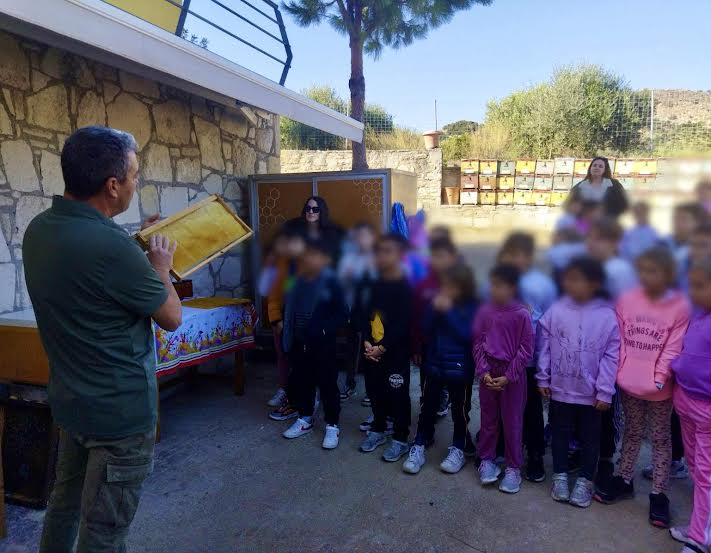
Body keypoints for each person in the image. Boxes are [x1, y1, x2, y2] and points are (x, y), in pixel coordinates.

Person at [23, 126, 182, 552]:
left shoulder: (39, 229)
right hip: (120, 417)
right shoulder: (114, 249)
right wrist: (160, 267)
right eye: (134, 175)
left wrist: (134, 246)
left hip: (72, 404)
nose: (136, 183)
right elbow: (171, 317)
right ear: (113, 186)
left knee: (64, 507)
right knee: (104, 534)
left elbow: (92, 272)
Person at [595, 247, 691, 530]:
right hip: (629, 382)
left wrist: (659, 377)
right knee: (632, 431)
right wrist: (620, 371)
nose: (647, 276)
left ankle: (659, 493)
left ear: (669, 274)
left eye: (654, 271)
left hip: (659, 388)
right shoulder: (627, 299)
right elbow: (620, 338)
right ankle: (624, 479)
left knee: (660, 438)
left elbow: (674, 346)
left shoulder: (680, 306)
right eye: (643, 271)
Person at [537, 256, 620, 508]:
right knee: (560, 434)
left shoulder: (607, 317)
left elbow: (611, 357)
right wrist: (543, 376)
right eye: (568, 279)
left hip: (591, 396)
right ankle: (560, 476)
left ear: (595, 283)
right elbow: (544, 347)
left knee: (590, 438)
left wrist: (605, 391)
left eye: (576, 279)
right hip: (560, 391)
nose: (569, 284)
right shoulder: (556, 310)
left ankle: (585, 480)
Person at [403, 263, 478, 475]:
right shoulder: (437, 302)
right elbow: (426, 328)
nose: (446, 290)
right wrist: (433, 310)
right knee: (428, 406)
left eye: (451, 286)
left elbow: (467, 334)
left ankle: (459, 447)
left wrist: (448, 312)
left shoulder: (472, 306)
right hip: (434, 363)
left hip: (460, 367)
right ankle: (419, 444)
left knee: (460, 410)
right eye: (444, 285)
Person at [496, 232, 557, 482]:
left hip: (530, 362)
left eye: (520, 255)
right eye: (511, 254)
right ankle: (503, 446)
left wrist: (545, 364)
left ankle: (535, 453)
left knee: (532, 409)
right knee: (504, 406)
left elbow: (548, 325)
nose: (515, 260)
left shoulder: (541, 286)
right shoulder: (498, 283)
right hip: (503, 361)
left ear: (530, 258)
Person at [281, 238, 348, 449]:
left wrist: (324, 329)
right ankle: (305, 418)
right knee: (304, 381)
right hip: (300, 341)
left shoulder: (332, 281)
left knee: (327, 384)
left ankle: (332, 425)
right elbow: (287, 300)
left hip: (323, 343)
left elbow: (343, 313)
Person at [474, 264, 534, 494]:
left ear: (513, 288)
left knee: (512, 422)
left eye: (499, 285)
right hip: (489, 374)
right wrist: (484, 371)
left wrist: (509, 376)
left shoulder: (522, 315)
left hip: (513, 377)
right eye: (493, 284)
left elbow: (526, 349)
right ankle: (487, 460)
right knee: (488, 419)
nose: (494, 289)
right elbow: (478, 342)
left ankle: (513, 467)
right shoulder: (485, 311)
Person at [359, 234, 413, 463]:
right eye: (379, 251)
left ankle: (400, 437)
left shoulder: (404, 285)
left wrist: (383, 347)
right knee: (375, 391)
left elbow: (404, 323)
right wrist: (367, 341)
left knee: (398, 394)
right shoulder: (373, 283)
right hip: (372, 351)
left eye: (388, 251)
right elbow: (364, 314)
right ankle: (378, 428)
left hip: (395, 353)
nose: (382, 256)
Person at [669, 259, 711, 553]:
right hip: (685, 401)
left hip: (707, 408)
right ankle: (701, 524)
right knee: (696, 467)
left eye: (700, 286)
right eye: (691, 286)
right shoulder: (697, 314)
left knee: (706, 473)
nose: (692, 292)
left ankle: (700, 538)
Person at [411, 237, 460, 415]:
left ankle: (444, 398)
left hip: (451, 346)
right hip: (427, 344)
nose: (439, 260)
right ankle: (427, 401)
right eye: (435, 256)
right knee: (427, 378)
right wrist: (416, 347)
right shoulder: (423, 285)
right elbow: (416, 317)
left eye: (443, 256)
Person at [267, 225, 306, 422]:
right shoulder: (281, 264)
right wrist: (276, 318)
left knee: (303, 363)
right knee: (284, 356)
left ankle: (305, 400)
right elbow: (275, 293)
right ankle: (285, 391)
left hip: (304, 323)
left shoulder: (311, 264)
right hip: (284, 319)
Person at [338, 222, 377, 400]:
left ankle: (372, 391)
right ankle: (350, 384)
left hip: (372, 314)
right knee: (352, 350)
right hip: (353, 312)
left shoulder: (377, 258)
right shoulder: (350, 259)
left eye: (366, 236)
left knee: (370, 350)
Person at [586, 217, 638, 300]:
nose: (590, 242)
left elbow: (625, 302)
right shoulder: (589, 264)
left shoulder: (619, 270)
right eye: (589, 237)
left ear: (614, 242)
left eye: (598, 239)